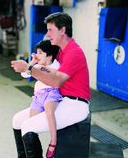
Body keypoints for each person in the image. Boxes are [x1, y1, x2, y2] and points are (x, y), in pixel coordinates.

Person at [11, 12, 91, 158]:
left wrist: (28, 69)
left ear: (63, 30)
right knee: (17, 120)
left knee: (28, 126)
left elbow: (56, 81)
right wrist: (33, 65)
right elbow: (52, 72)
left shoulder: (74, 52)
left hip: (75, 105)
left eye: (50, 30)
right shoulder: (61, 51)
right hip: (61, 99)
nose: (47, 34)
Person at [21, 40, 62, 158]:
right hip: (38, 96)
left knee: (50, 114)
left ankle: (53, 142)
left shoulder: (56, 65)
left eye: (40, 53)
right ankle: (35, 152)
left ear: (49, 55)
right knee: (30, 125)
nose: (37, 55)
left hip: (51, 93)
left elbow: (56, 75)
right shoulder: (37, 65)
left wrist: (41, 68)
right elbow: (24, 74)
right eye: (36, 52)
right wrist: (33, 62)